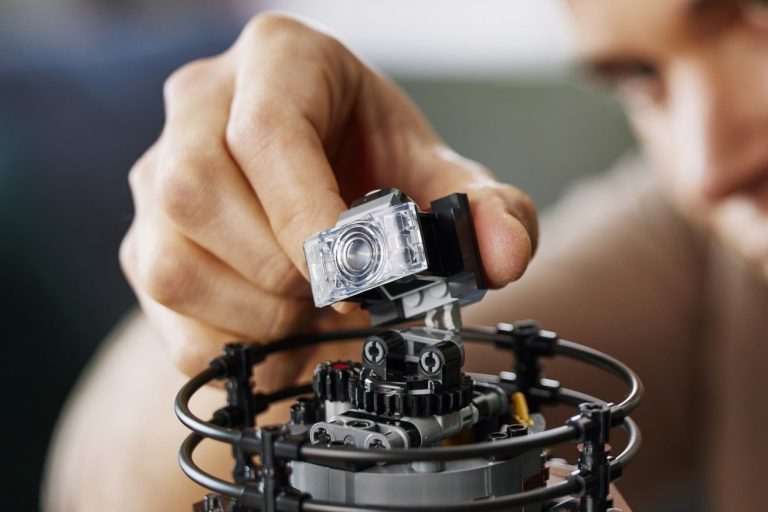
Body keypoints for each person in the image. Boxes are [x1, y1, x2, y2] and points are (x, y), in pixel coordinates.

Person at [43, 1, 768, 510]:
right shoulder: (702, 247)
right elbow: (104, 486)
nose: (707, 166)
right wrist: (257, 287)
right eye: (642, 76)